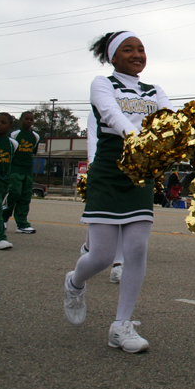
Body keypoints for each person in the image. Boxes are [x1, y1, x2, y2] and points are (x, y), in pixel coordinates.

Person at [63, 31, 172, 353]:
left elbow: (169, 121)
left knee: (137, 248)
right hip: (110, 170)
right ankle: (74, 282)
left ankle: (121, 324)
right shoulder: (103, 83)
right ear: (113, 57)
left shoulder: (155, 90)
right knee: (102, 256)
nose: (137, 54)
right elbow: (112, 114)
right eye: (128, 49)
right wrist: (137, 137)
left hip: (141, 173)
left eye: (141, 49)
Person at [80, 112, 124, 284]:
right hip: (103, 167)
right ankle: (88, 247)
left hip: (127, 167)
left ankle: (118, 264)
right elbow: (92, 138)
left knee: (122, 216)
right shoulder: (97, 111)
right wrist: (92, 164)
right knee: (101, 215)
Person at [2, 111, 40, 234]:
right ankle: (2, 219)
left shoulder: (35, 136)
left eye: (31, 119)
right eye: (26, 119)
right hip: (15, 170)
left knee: (25, 197)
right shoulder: (14, 134)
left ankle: (22, 223)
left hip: (28, 171)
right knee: (14, 193)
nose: (28, 121)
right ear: (21, 120)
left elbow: (32, 152)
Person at [0, 112, 19, 250]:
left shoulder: (13, 144)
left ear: (10, 126)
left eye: (3, 122)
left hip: (2, 181)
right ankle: (0, 238)